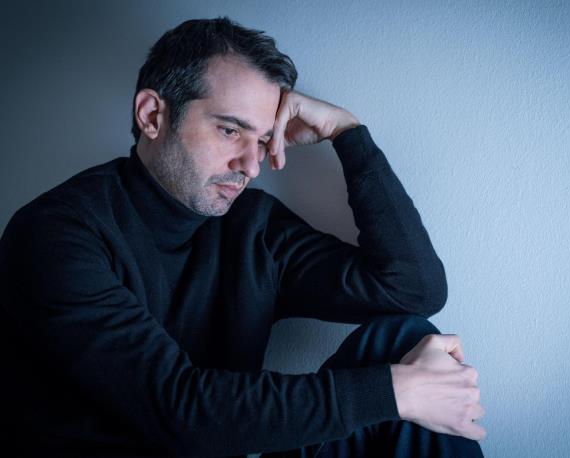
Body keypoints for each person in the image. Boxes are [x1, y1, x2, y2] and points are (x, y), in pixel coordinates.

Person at [0, 17, 485, 457]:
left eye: (263, 139)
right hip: (175, 435)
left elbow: (411, 289)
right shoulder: (56, 234)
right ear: (152, 116)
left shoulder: (253, 226)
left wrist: (347, 133)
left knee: (407, 340)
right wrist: (399, 393)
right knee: (406, 381)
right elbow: (180, 412)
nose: (252, 166)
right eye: (231, 131)